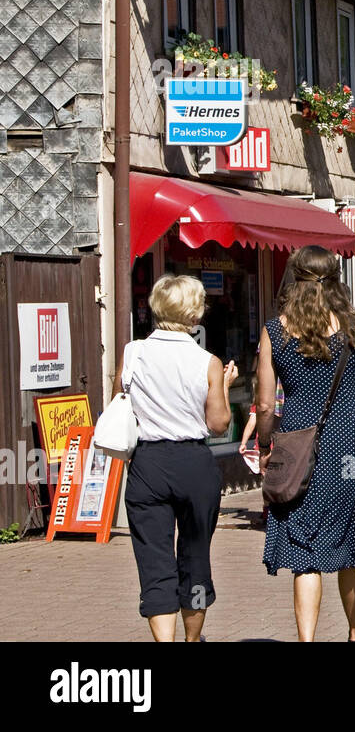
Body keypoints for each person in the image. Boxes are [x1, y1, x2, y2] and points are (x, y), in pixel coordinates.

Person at [256, 245, 355, 642]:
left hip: (297, 452)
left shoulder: (275, 331)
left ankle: (307, 641)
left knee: (305, 554)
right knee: (350, 546)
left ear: (294, 278)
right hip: (347, 450)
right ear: (335, 280)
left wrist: (265, 444)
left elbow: (267, 404)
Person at [122, 274, 237, 642]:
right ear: (193, 314)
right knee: (195, 555)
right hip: (193, 463)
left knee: (154, 562)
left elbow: (120, 404)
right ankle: (191, 640)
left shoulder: (133, 352)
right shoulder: (206, 361)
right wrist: (222, 387)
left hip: (148, 463)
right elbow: (218, 423)